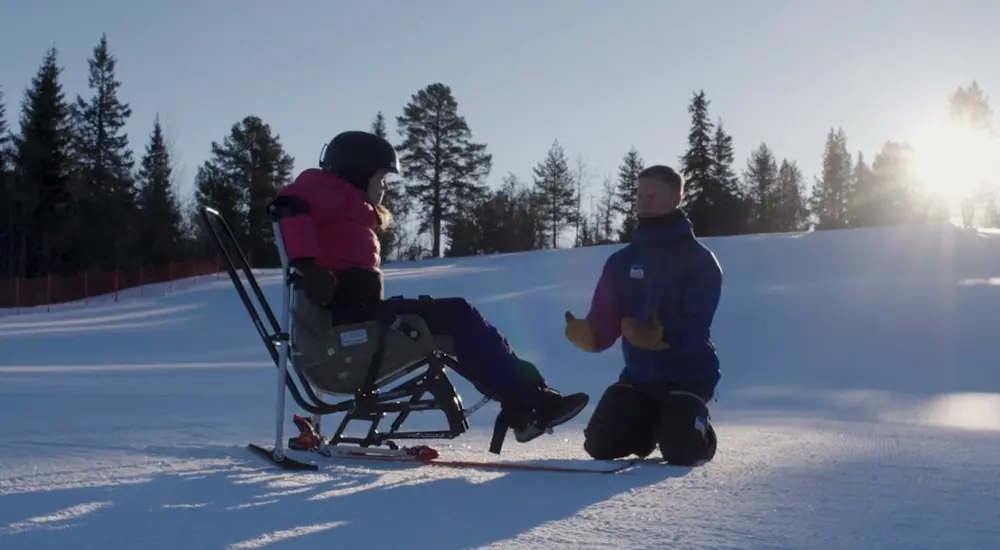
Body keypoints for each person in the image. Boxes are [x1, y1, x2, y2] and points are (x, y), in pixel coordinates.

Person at [272, 130, 589, 445]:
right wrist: (308, 265)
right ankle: (530, 404)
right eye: (381, 178)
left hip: (358, 322)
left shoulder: (345, 205)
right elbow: (287, 207)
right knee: (458, 317)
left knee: (457, 320)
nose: (384, 187)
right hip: (343, 341)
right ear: (357, 174)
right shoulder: (320, 191)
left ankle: (528, 402)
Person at [564, 164, 722, 466]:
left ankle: (698, 431)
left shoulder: (699, 260)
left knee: (683, 452)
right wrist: (591, 335)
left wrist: (658, 336)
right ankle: (650, 425)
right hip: (638, 378)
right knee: (601, 446)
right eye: (639, 195)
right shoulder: (621, 261)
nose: (644, 201)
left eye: (653, 195)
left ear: (678, 197)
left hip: (688, 378)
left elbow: (697, 324)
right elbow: (605, 318)